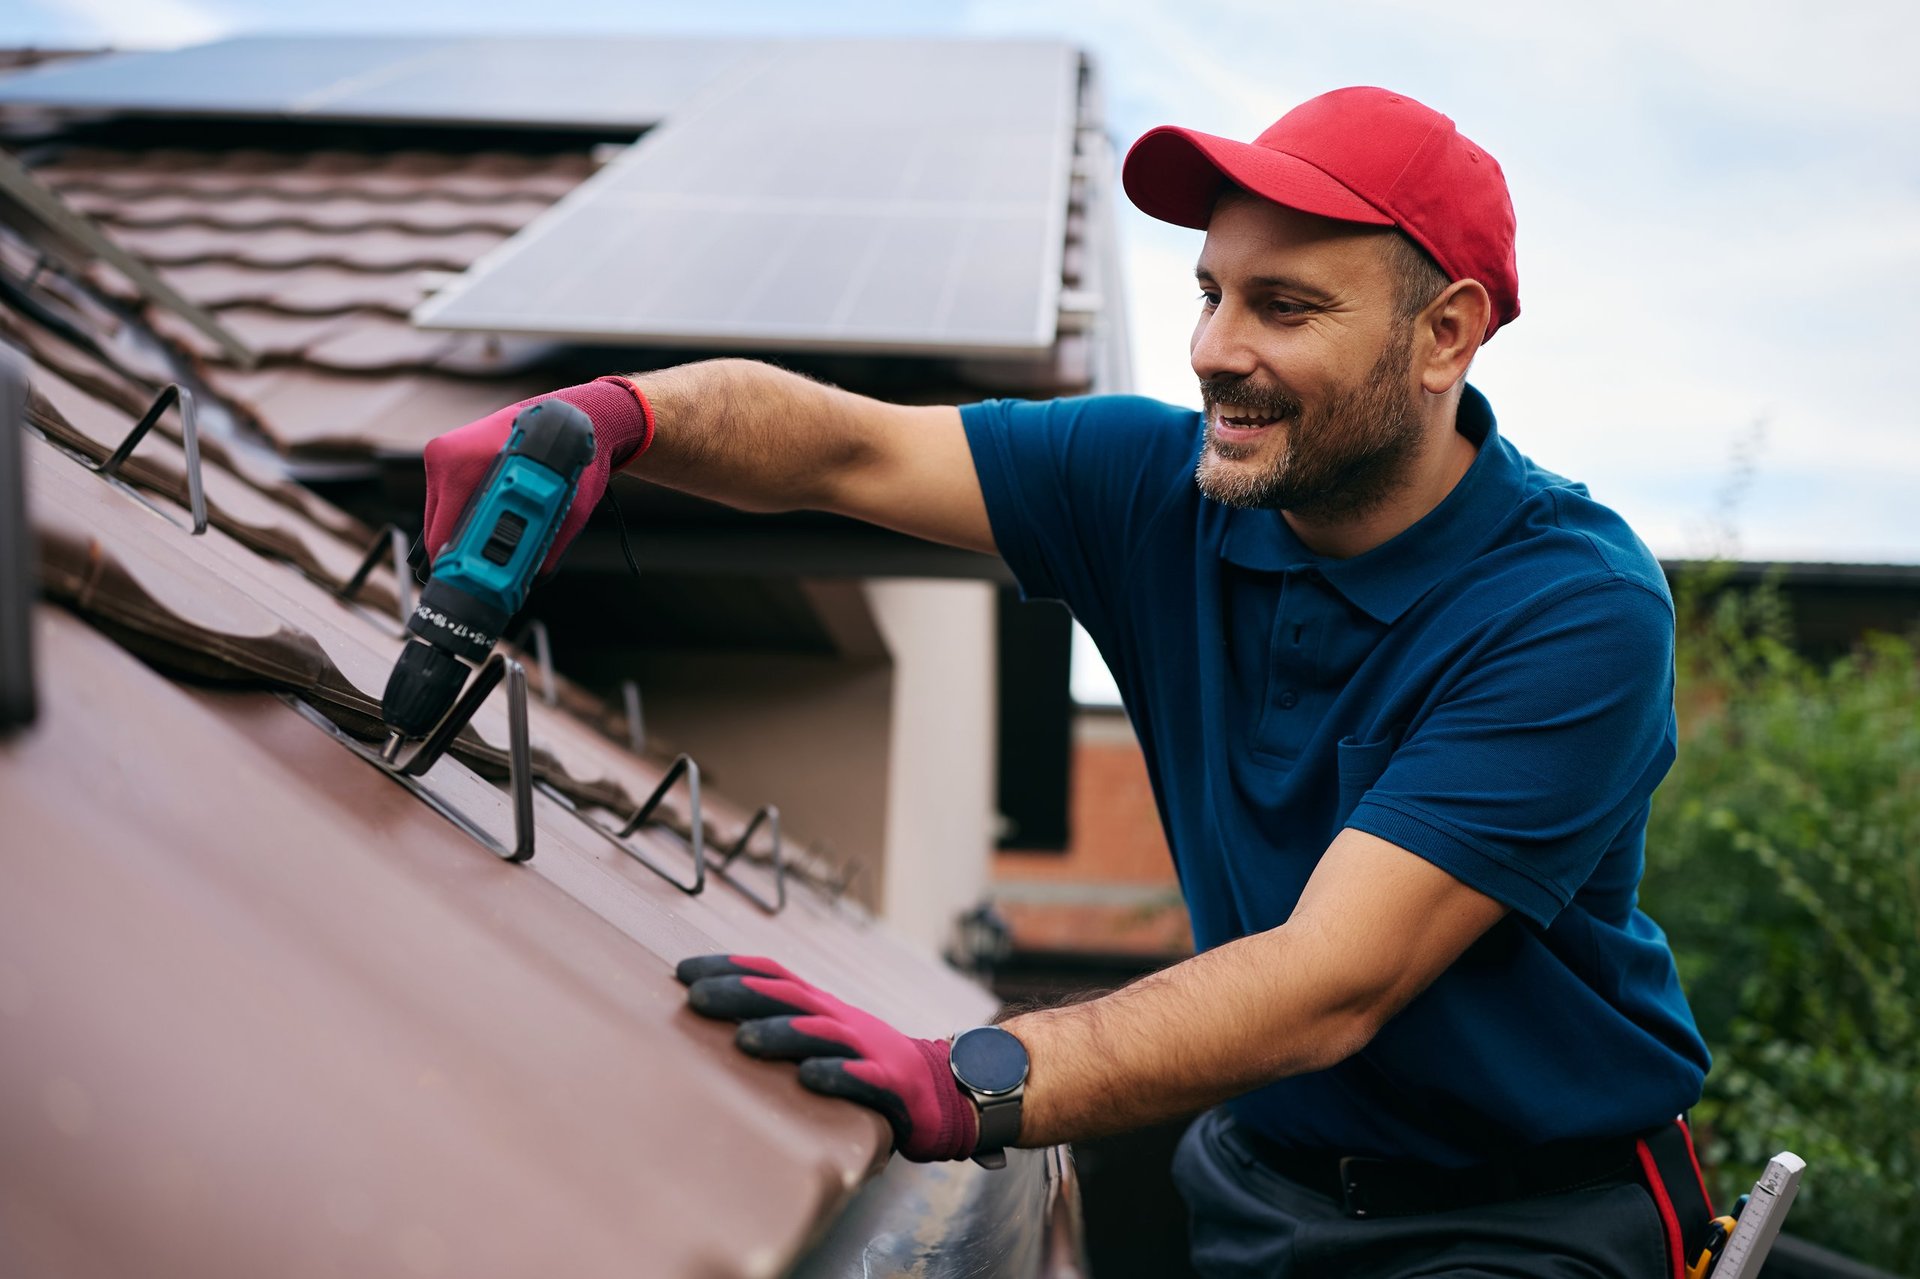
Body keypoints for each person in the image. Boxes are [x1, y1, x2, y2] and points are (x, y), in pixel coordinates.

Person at [420, 86, 1717, 1278]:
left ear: (1445, 336)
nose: (1214, 348)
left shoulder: (1568, 606)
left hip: (1525, 1221)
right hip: (1265, 1187)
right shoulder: (1155, 486)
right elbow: (847, 453)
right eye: (1213, 291)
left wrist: (966, 1078)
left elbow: (1336, 982)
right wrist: (617, 419)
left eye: (1286, 307)